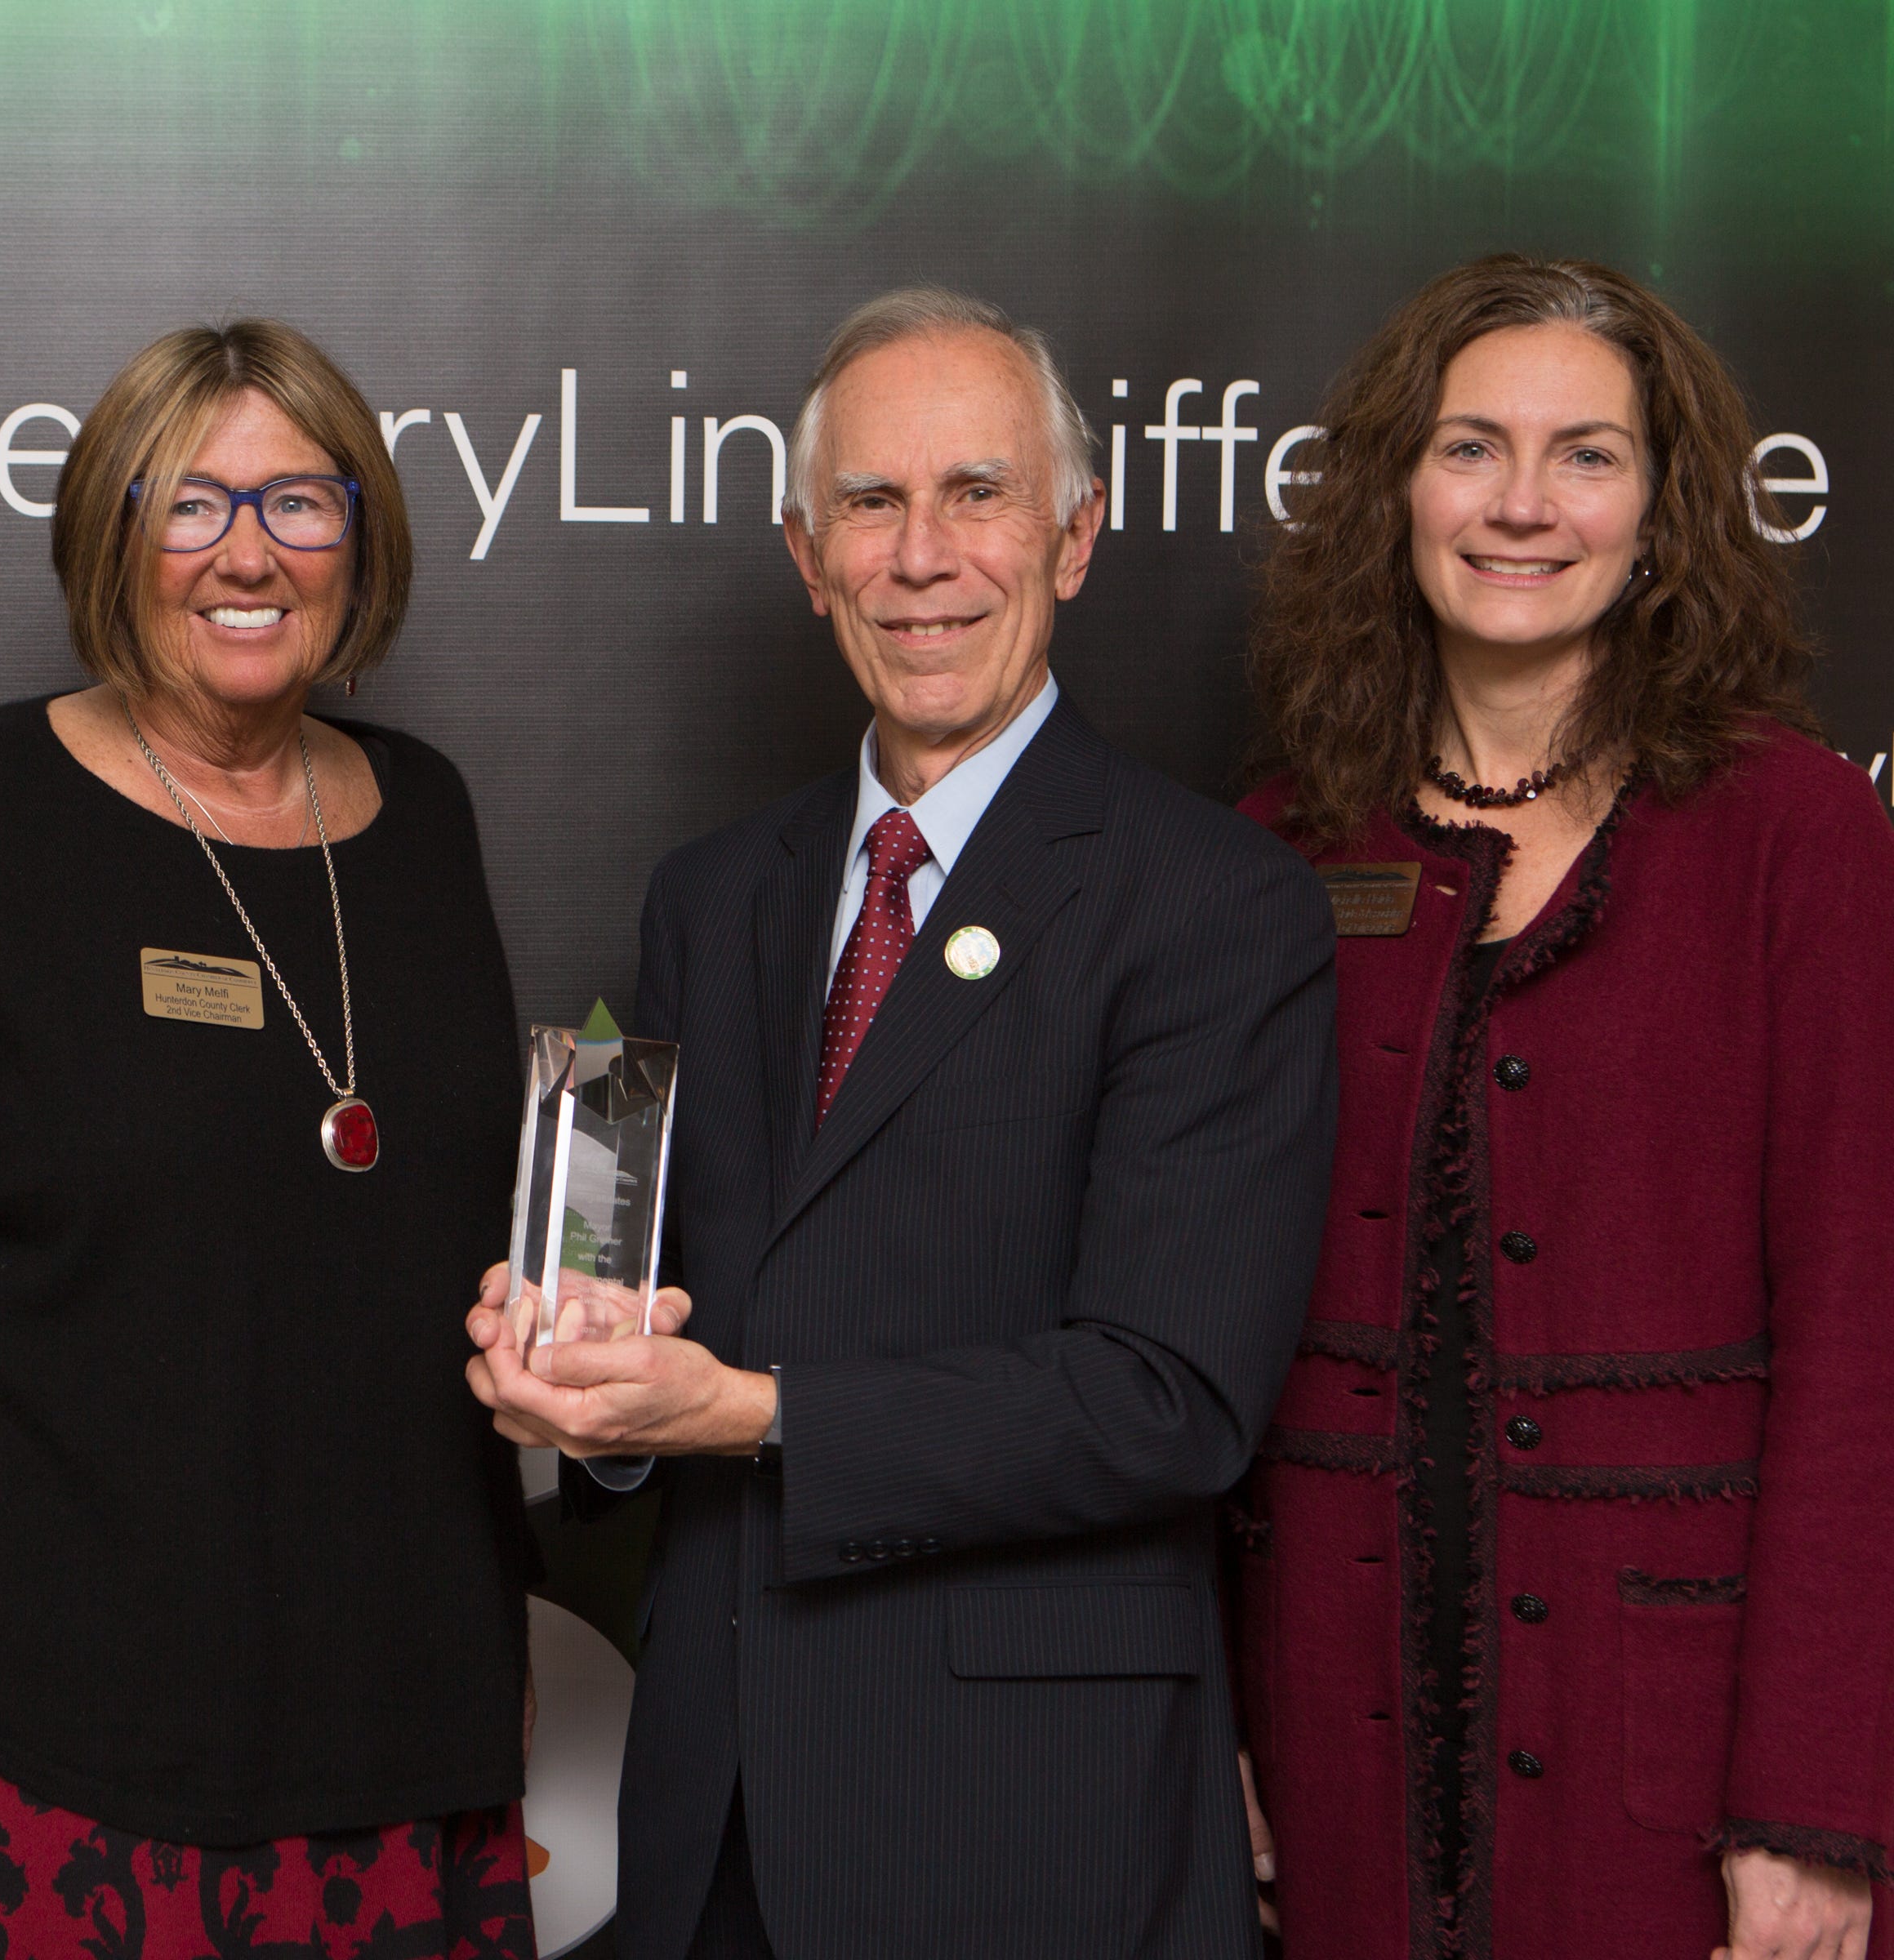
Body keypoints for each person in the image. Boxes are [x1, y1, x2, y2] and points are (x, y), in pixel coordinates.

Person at [466, 287, 1339, 1958]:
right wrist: (592, 1390)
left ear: (1076, 536)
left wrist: (751, 1413)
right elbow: (685, 1314)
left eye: (978, 494)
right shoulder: (714, 899)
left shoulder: (1218, 907)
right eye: (871, 503)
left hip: (1024, 1822)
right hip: (716, 1811)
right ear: (808, 554)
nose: (921, 556)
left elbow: (1168, 1400)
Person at [0, 318, 537, 1959]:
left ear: (359, 539)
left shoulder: (426, 817)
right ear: (113, 531)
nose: (248, 552)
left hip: (401, 1753)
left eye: (300, 504)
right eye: (190, 502)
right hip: (51, 1768)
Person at [1232, 254, 1894, 1960]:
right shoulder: (1279, 851)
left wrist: (1820, 1811)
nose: (1524, 504)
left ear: (1665, 513)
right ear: (1394, 493)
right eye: (1471, 448)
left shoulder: (1800, 839)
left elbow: (1862, 1342)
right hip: (1330, 1741)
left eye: (1587, 455)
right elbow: (1202, 1345)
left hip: (1679, 1768)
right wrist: (1217, 1721)